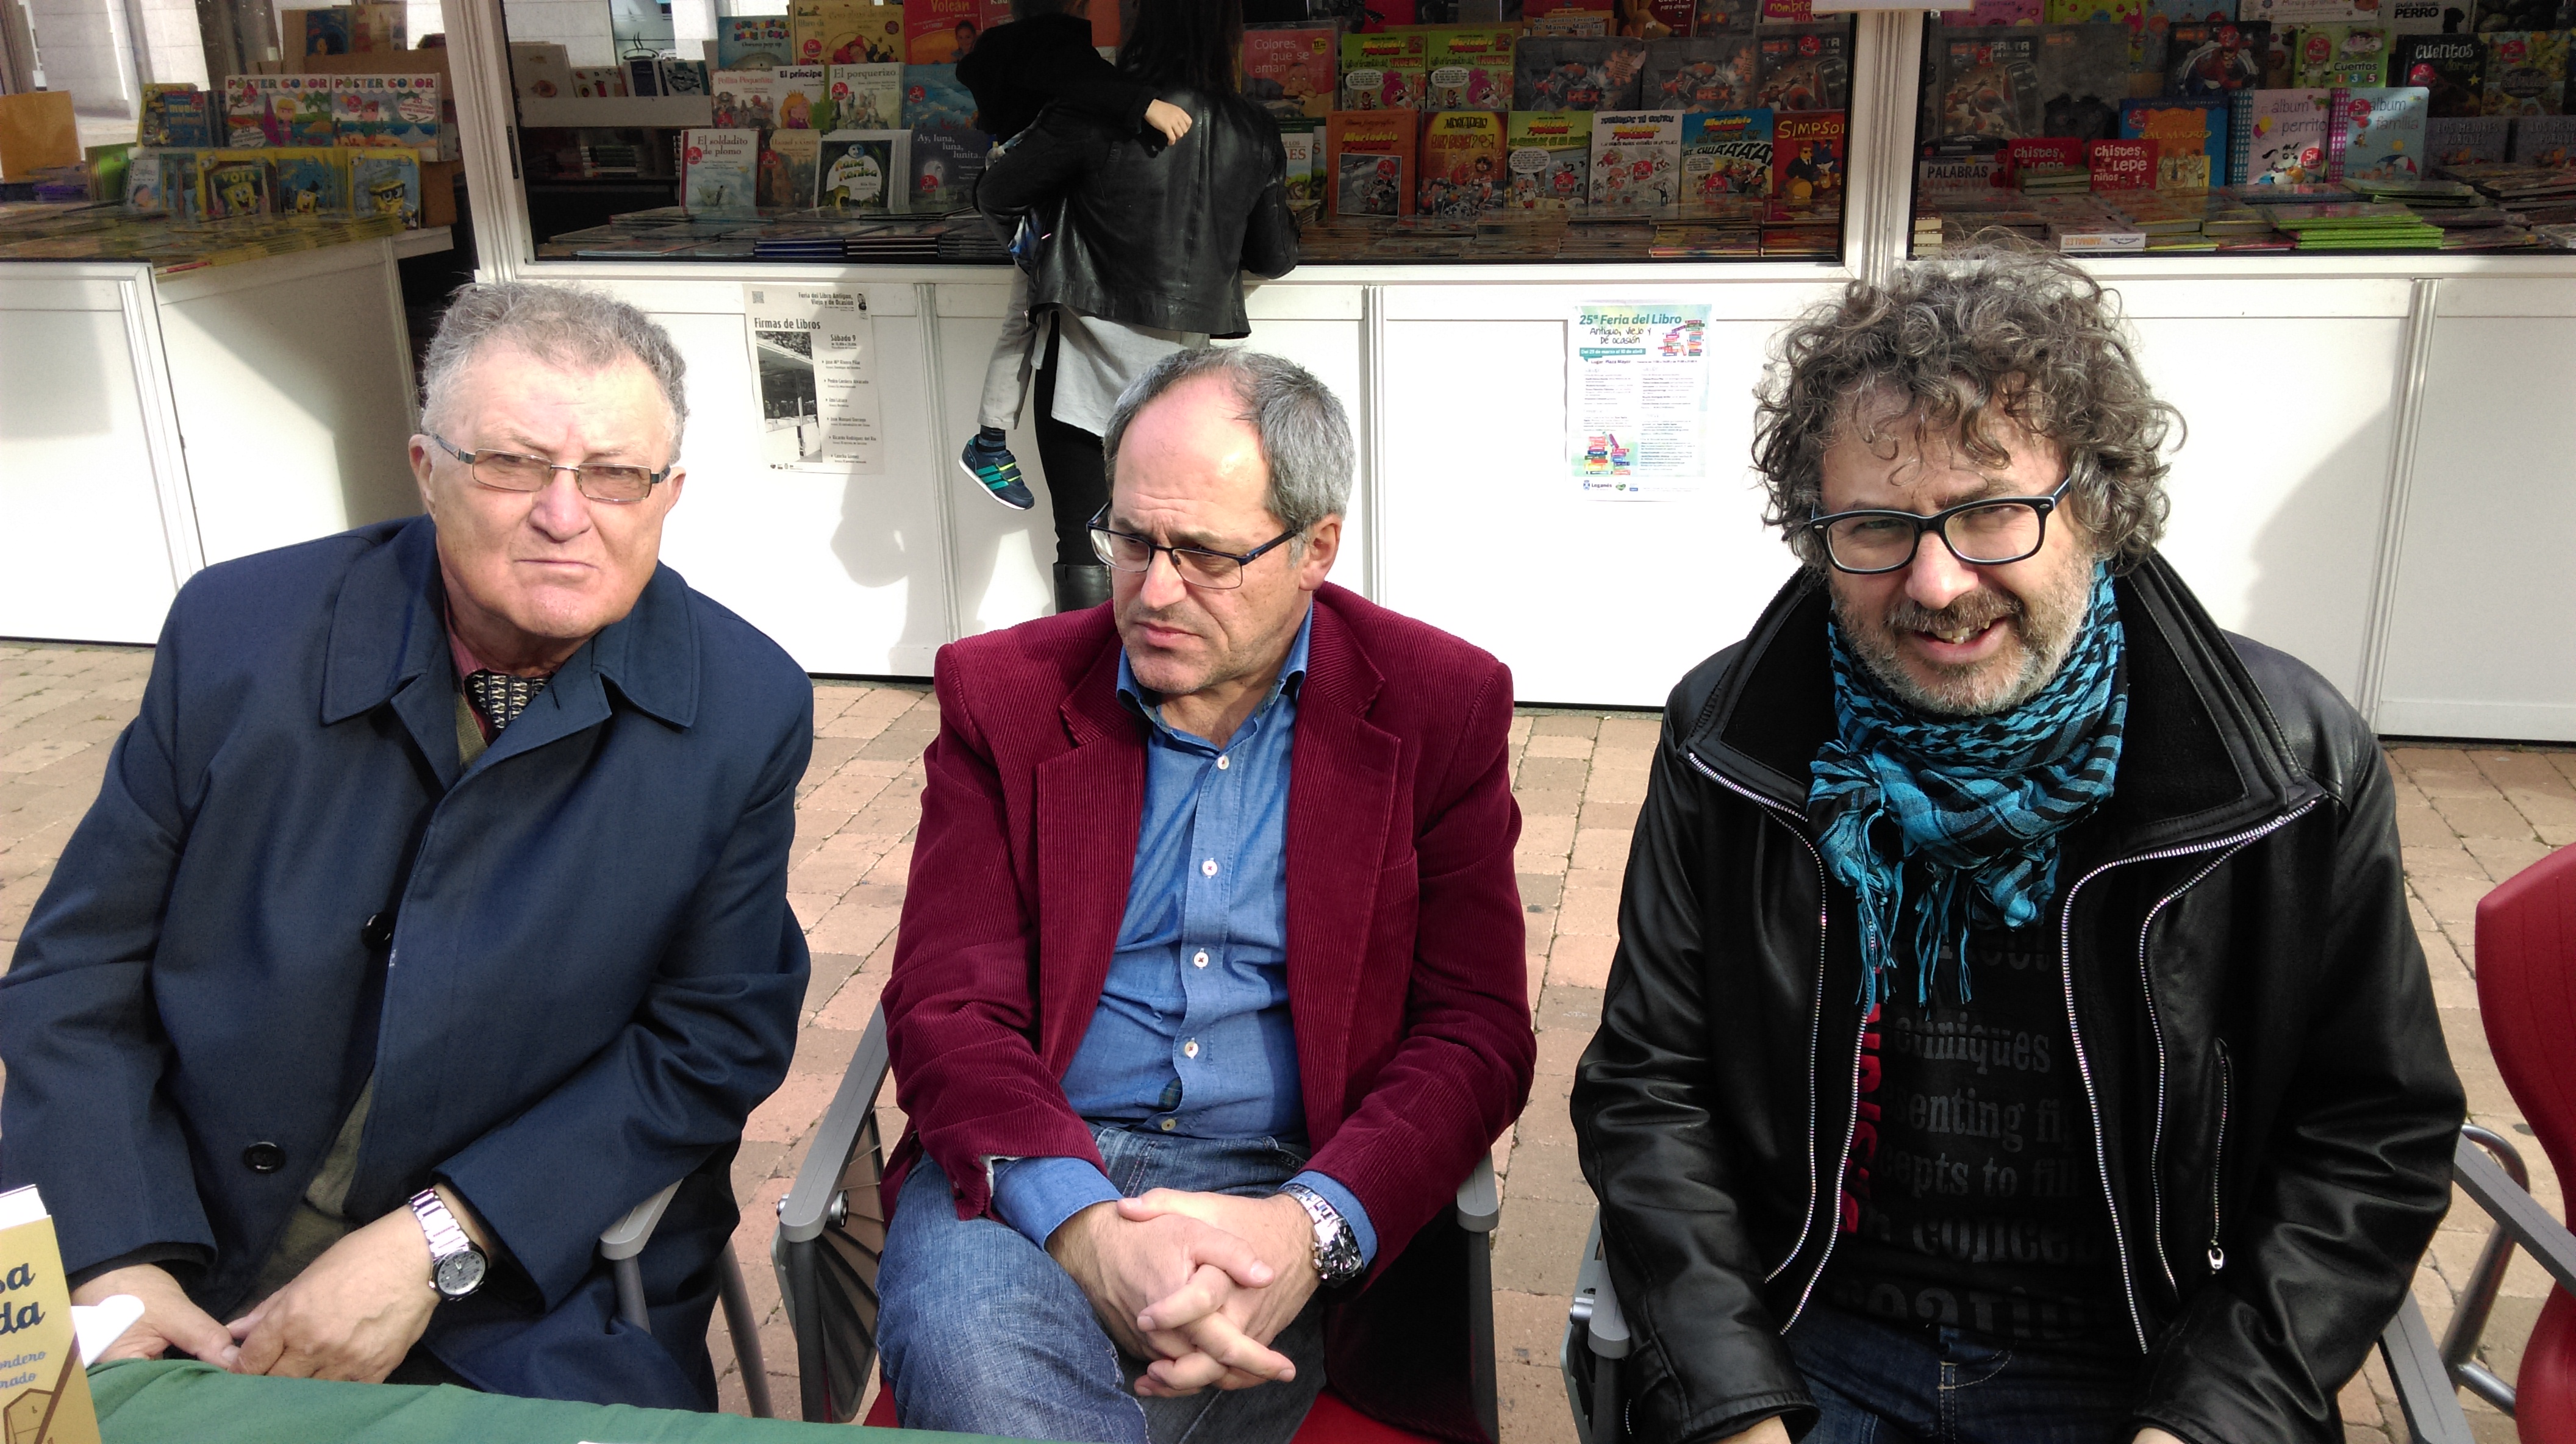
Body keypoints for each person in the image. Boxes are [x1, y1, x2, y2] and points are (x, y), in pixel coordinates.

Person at [1570, 247, 2464, 1444]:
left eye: (1991, 510)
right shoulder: (1734, 740)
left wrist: (2219, 1413)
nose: (1937, 583)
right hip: (1806, 1327)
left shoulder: (2285, 766)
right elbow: (1649, 1085)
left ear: (2091, 499)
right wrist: (1731, 1396)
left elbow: (2369, 1128)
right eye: (1878, 526)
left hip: (2150, 1354)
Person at [0, 283, 812, 1409]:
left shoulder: (741, 704)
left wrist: (436, 1238)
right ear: (426, 469)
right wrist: (112, 1245)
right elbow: (77, 972)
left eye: (615, 475)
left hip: (516, 1287)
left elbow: (710, 1038)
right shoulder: (239, 636)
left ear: (668, 496)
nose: (566, 515)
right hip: (186, 1239)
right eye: (514, 464)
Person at [874, 348, 1533, 1444]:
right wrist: (1085, 1227)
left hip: (1280, 1179)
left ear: (1316, 546)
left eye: (1208, 553)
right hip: (1034, 1160)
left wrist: (1307, 1229)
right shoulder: (1008, 698)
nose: (1156, 589)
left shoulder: (1437, 705)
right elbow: (948, 1005)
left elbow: (1473, 1030)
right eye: (1131, 540)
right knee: (990, 1383)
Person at [975, 0, 1297, 615]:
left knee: (1083, 535)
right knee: (1171, 533)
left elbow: (996, 193)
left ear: (1138, 29)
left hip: (1079, 357)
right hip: (1179, 367)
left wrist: (1037, 256)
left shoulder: (1097, 110)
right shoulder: (1253, 127)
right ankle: (1166, 671)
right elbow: (1275, 255)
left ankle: (1091, 686)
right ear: (1227, 34)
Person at [954, 0, 1197, 514]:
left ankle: (991, 440)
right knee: (1024, 312)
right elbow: (1080, 84)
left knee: (1023, 317)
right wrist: (1144, 105)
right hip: (1034, 181)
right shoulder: (1054, 44)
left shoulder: (1011, 46)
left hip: (1026, 172)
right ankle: (989, 445)